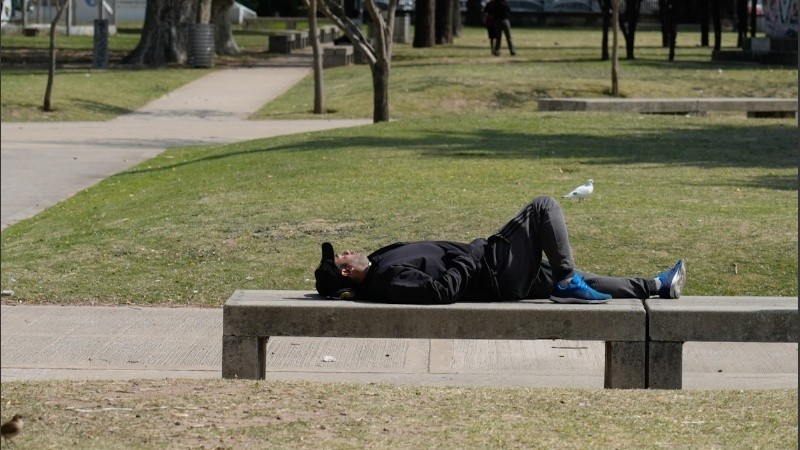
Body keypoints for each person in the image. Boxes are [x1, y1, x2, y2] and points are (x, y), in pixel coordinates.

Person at [315, 196, 685, 305]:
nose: (346, 250)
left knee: (570, 279)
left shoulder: (379, 264)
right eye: (341, 257)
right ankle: (568, 280)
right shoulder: (385, 279)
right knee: (544, 207)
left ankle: (656, 285)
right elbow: (438, 291)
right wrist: (470, 256)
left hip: (493, 269)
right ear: (347, 272)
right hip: (493, 269)